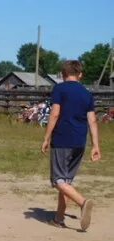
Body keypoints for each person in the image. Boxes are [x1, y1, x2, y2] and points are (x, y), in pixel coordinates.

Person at [41, 60, 101, 231]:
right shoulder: (87, 94)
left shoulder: (60, 89)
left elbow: (54, 114)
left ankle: (83, 202)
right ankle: (59, 218)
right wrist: (95, 145)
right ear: (80, 74)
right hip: (79, 143)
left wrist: (46, 137)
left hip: (62, 140)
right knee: (66, 181)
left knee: (58, 181)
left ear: (63, 74)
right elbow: (92, 120)